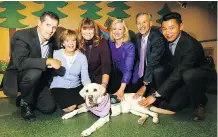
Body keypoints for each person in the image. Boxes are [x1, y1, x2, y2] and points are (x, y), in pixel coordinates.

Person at [140, 12, 216, 121]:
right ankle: (167, 96)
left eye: (171, 28)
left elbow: (180, 72)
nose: (168, 33)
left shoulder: (190, 45)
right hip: (180, 75)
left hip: (198, 75)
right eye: (164, 29)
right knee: (159, 71)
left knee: (189, 75)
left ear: (181, 26)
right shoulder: (165, 39)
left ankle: (200, 104)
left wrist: (155, 95)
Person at [2, 11, 61, 121]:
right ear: (39, 23)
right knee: (35, 71)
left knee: (49, 108)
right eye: (48, 25)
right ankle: (26, 103)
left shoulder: (52, 41)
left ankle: (26, 96)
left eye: (54, 27)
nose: (51, 30)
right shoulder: (21, 35)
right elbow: (20, 62)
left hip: (38, 80)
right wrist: (47, 61)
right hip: (18, 77)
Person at [50, 29, 91, 113]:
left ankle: (75, 101)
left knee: (85, 106)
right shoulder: (55, 54)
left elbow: (85, 79)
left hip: (76, 87)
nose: (71, 43)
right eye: (67, 41)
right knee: (70, 108)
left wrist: (90, 91)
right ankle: (59, 101)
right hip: (59, 87)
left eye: (73, 40)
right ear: (63, 43)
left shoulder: (82, 57)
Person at [131, 12, 167, 101]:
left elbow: (152, 62)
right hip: (143, 71)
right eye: (139, 23)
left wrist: (145, 85)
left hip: (156, 72)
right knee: (132, 94)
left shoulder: (157, 39)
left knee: (157, 70)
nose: (141, 26)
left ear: (150, 23)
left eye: (144, 22)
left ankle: (160, 94)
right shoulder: (136, 37)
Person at [78, 18, 111, 88]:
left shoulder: (102, 42)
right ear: (80, 30)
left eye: (90, 29)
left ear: (94, 30)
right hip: (80, 81)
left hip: (98, 80)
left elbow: (106, 66)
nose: (88, 32)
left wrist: (104, 84)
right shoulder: (76, 43)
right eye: (85, 29)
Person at [107, 19, 135, 101]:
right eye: (114, 29)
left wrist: (122, 89)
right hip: (115, 75)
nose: (116, 32)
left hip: (127, 79)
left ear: (124, 31)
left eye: (120, 29)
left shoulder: (129, 46)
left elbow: (128, 70)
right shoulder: (109, 42)